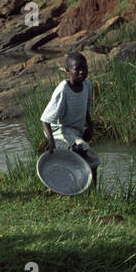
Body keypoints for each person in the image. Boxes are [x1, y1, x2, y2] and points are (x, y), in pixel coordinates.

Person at [41, 52, 99, 180]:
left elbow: (86, 109)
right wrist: (51, 141)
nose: (81, 72)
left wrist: (90, 127)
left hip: (74, 130)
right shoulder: (63, 90)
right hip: (60, 131)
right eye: (77, 69)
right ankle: (73, 184)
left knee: (93, 162)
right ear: (68, 71)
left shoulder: (87, 85)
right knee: (82, 148)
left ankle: (93, 193)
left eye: (84, 68)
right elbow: (45, 119)